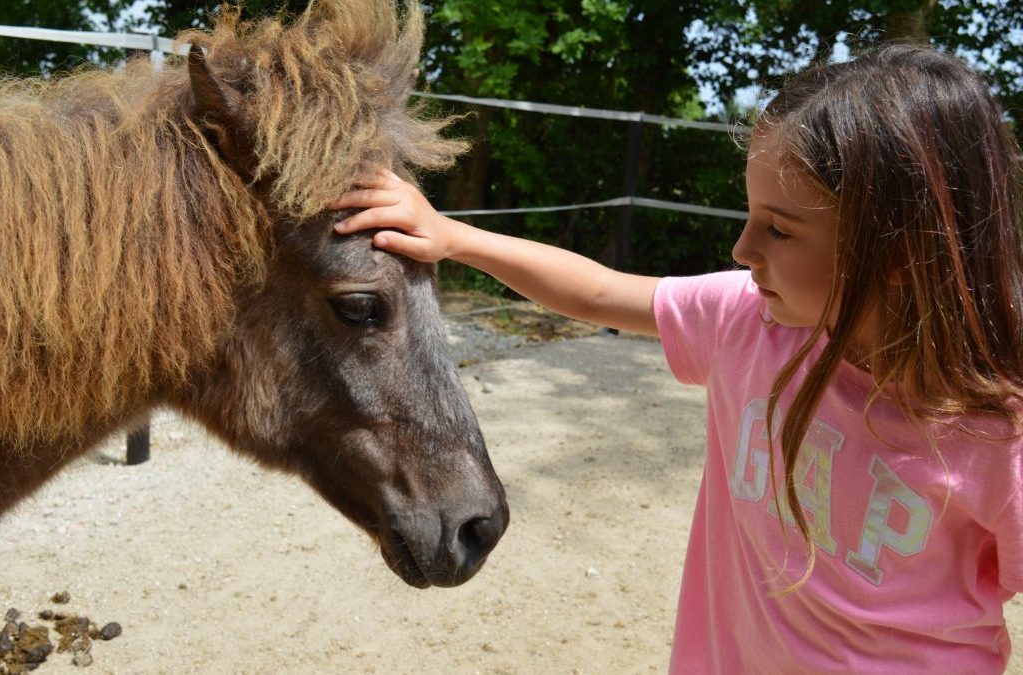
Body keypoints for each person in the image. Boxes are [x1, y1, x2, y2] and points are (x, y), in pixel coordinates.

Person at [330, 44, 1023, 674]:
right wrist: (449, 235)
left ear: (900, 251)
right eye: (750, 217)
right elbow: (600, 292)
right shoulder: (747, 323)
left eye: (779, 228)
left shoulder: (999, 428)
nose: (743, 251)